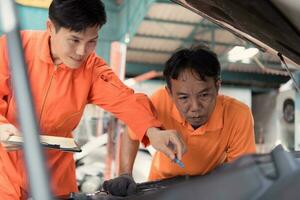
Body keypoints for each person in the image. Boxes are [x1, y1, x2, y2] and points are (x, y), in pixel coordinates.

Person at [0, 0, 186, 198]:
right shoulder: (13, 48)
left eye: (92, 41)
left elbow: (126, 100)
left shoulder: (91, 69)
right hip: (5, 172)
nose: (82, 52)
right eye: (74, 40)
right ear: (50, 28)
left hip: (54, 180)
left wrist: (153, 130)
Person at [103, 45, 256, 196]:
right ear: (169, 93)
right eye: (183, 98)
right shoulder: (159, 103)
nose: (195, 107)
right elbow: (131, 136)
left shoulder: (238, 115)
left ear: (217, 86)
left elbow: (240, 174)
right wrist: (125, 174)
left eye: (204, 95)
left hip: (208, 189)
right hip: (160, 188)